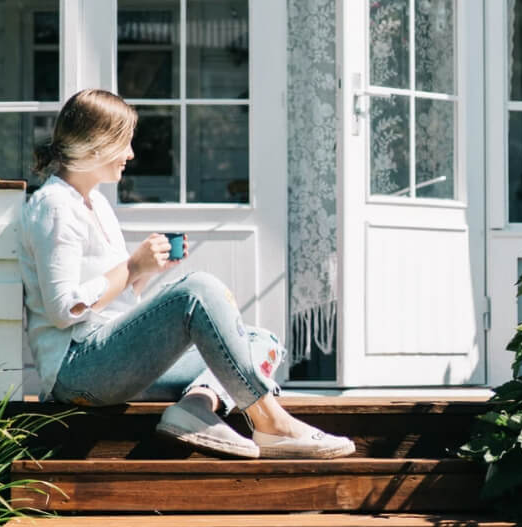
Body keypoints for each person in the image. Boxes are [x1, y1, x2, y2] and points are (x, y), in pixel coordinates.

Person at [18, 89, 355, 459]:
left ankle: (197, 405)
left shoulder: (94, 202)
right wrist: (131, 266)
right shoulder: (55, 207)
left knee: (261, 341)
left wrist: (142, 272)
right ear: (96, 148)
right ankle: (272, 423)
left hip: (111, 363)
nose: (131, 154)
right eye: (124, 144)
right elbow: (63, 309)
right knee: (198, 290)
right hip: (78, 370)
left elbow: (109, 302)